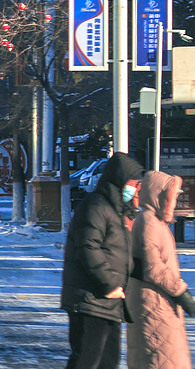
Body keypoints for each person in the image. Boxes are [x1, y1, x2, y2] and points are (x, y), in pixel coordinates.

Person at [61, 153, 145, 369]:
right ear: (120, 180)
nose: (136, 189)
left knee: (108, 362)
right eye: (133, 184)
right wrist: (109, 284)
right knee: (87, 361)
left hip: (107, 301)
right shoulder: (96, 206)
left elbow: (118, 253)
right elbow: (88, 247)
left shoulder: (116, 211)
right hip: (91, 299)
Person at [127, 170, 195, 369]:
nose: (174, 201)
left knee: (164, 358)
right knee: (160, 360)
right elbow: (152, 266)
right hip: (154, 304)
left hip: (158, 302)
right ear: (159, 195)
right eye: (172, 196)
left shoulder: (155, 222)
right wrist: (180, 291)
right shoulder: (149, 222)